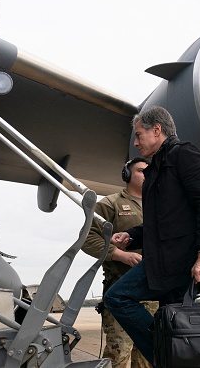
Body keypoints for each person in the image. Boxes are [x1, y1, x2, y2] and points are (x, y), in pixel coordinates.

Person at [103, 106, 200, 364]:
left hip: (185, 264)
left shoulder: (186, 156)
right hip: (162, 263)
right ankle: (168, 355)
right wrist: (131, 236)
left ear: (157, 130)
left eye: (139, 135)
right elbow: (161, 224)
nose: (135, 144)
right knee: (175, 329)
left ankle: (164, 356)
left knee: (119, 297)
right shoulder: (155, 170)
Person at [82, 157, 157, 368]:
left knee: (149, 356)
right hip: (121, 290)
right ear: (127, 175)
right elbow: (87, 238)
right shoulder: (110, 204)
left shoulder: (160, 207)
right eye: (142, 171)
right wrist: (120, 255)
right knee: (119, 354)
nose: (147, 175)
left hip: (153, 296)